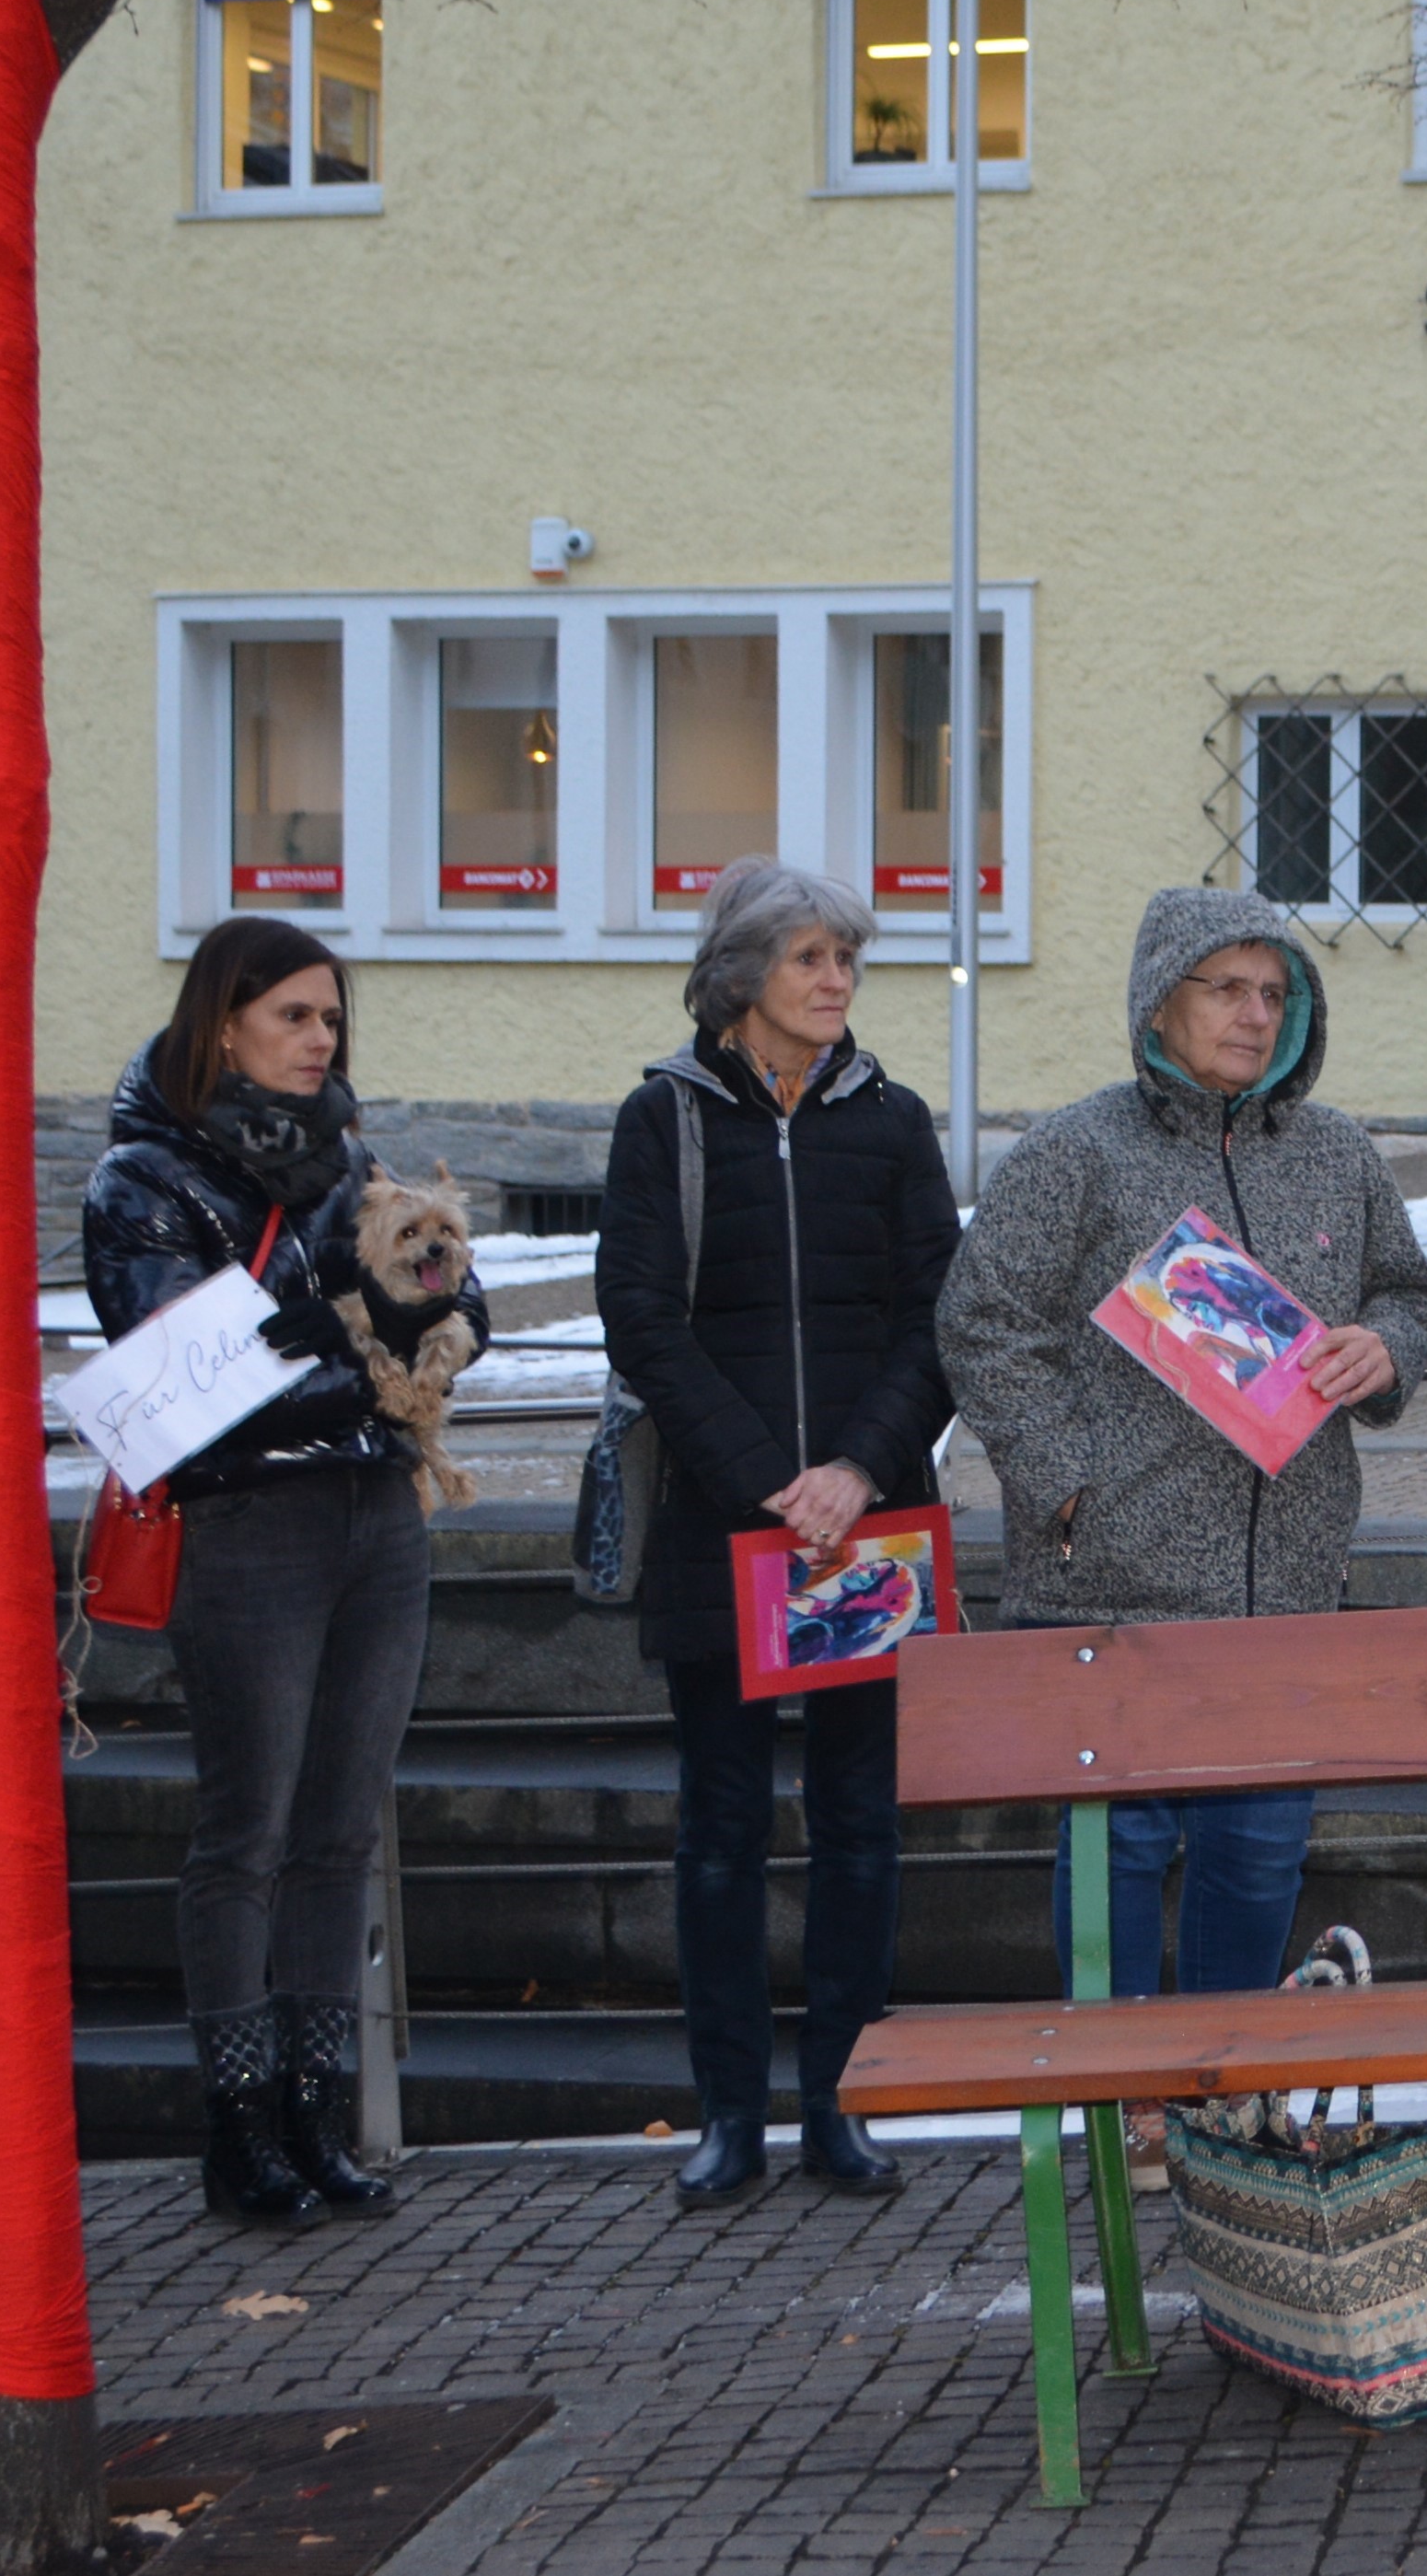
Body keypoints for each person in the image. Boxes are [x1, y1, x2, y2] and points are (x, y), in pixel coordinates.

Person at [938, 888, 1427, 2007]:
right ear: (1158, 1003)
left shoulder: (1334, 1153)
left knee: (1259, 1858)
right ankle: (1119, 2087)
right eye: (1226, 988)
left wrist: (1386, 1349)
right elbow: (983, 1325)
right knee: (1117, 1855)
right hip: (1112, 1583)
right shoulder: (1075, 1151)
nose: (1254, 1015)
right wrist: (1066, 1483)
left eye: (1274, 993)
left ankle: (1230, 2082)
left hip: (1286, 1589)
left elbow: (1410, 1293)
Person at [83, 914, 486, 2228]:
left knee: (340, 1828)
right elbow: (184, 1381)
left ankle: (319, 2112)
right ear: (223, 1023)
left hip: (376, 1507)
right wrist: (354, 1353)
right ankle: (238, 2123)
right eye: (294, 1016)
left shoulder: (348, 1157)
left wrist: (412, 1327)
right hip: (248, 1522)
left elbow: (443, 1302)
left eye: (332, 1018)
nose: (321, 1039)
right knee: (245, 1831)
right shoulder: (144, 1177)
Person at [598, 859, 961, 2206]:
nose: (835, 980)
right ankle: (730, 2113)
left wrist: (856, 1470)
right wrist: (771, 1481)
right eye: (810, 957)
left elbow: (939, 1318)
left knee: (860, 1824)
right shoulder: (664, 1119)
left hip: (867, 1531)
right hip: (727, 1527)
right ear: (742, 973)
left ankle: (840, 2106)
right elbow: (642, 1319)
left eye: (845, 959)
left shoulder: (894, 1120)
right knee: (722, 1829)